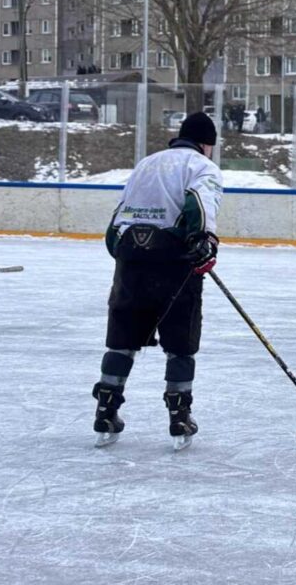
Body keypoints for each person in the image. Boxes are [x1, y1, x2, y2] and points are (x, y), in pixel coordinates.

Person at [90, 112, 223, 450]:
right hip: (174, 265)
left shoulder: (146, 163)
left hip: (131, 261)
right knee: (180, 341)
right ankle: (179, 417)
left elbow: (117, 219)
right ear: (206, 143)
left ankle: (106, 409)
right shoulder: (201, 166)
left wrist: (124, 251)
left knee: (122, 340)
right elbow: (200, 203)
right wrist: (204, 241)